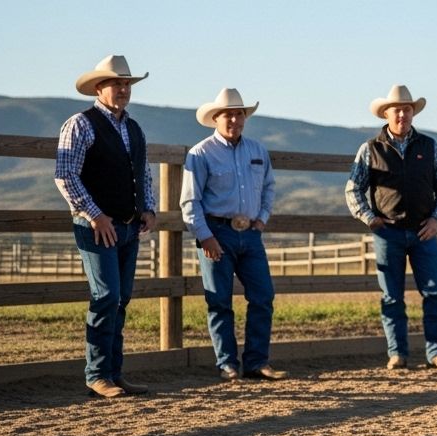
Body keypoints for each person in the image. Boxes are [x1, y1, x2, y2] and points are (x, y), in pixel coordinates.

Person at [54, 55, 158, 398]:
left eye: (127, 84)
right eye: (118, 83)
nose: (124, 89)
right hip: (97, 225)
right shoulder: (80, 124)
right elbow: (65, 175)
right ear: (99, 87)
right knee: (106, 296)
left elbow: (141, 172)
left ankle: (114, 373)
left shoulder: (133, 128)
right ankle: (97, 374)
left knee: (121, 299)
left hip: (128, 226)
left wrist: (148, 208)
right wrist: (94, 215)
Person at [345, 84, 437, 371]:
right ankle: (397, 354)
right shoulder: (370, 149)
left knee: (433, 293)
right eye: (397, 110)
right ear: (386, 113)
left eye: (407, 110)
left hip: (423, 231)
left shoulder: (429, 146)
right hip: (388, 232)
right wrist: (369, 217)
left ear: (412, 113)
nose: (402, 115)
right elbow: (353, 188)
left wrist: (436, 218)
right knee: (392, 296)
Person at [181, 88, 287, 383]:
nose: (234, 120)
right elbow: (190, 200)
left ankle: (256, 362)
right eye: (227, 114)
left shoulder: (257, 151)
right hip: (217, 232)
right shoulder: (200, 153)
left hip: (250, 233)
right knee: (219, 301)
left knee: (263, 296)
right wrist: (205, 236)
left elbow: (269, 186)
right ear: (215, 118)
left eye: (239, 114)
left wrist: (262, 220)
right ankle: (227, 364)